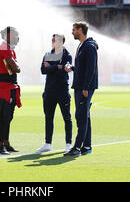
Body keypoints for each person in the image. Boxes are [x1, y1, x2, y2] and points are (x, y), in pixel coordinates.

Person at [64, 21, 98, 157]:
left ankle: (77, 148)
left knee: (81, 117)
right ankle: (87, 146)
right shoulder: (82, 45)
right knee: (85, 116)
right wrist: (73, 68)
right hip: (80, 86)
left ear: (80, 29)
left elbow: (91, 69)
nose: (72, 32)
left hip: (85, 87)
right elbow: (84, 68)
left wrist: (85, 87)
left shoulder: (89, 47)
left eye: (74, 29)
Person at [37, 34, 73, 153]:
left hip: (62, 91)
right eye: (52, 40)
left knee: (67, 118)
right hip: (49, 91)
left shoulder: (67, 55)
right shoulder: (48, 54)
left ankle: (68, 144)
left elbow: (65, 70)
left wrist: (52, 67)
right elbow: (43, 70)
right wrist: (57, 67)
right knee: (48, 118)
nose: (52, 42)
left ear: (61, 42)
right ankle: (48, 143)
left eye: (55, 40)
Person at [0, 26, 22, 155]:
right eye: (16, 35)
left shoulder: (9, 49)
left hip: (10, 86)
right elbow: (16, 68)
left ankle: (6, 143)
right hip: (4, 87)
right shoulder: (5, 48)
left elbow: (15, 66)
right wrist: (17, 65)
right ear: (9, 35)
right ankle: (0, 146)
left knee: (9, 117)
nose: (18, 38)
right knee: (4, 117)